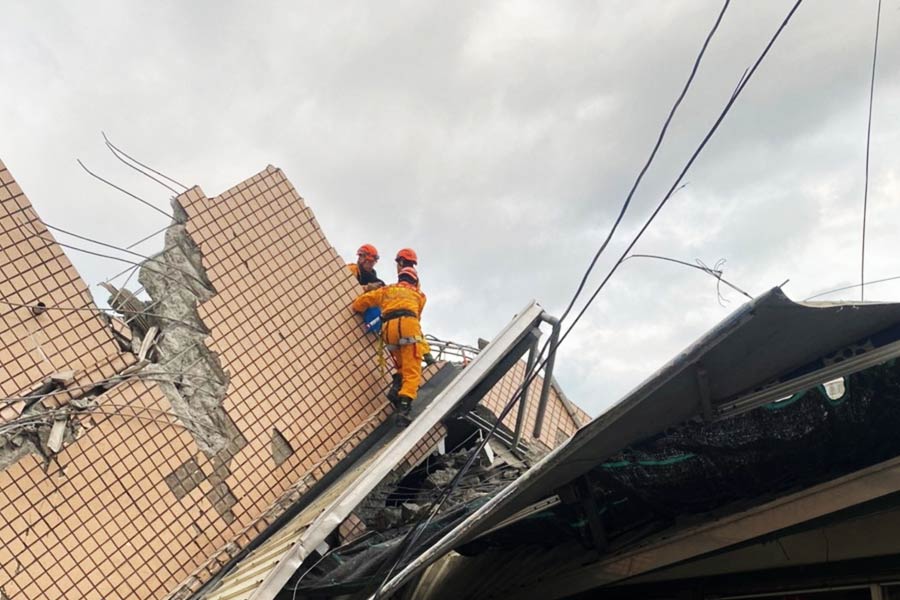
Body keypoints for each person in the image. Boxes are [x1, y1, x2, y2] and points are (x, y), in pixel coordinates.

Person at [352, 266, 426, 427]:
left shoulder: (388, 290)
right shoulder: (419, 295)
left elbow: (360, 303)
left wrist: (359, 308)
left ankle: (395, 389)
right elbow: (417, 316)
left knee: (400, 364)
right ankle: (403, 409)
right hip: (408, 325)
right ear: (414, 281)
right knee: (412, 370)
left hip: (389, 329)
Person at [394, 248, 436, 365]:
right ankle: (428, 356)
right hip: (412, 318)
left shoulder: (406, 277)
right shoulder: (413, 277)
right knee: (416, 334)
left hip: (403, 319)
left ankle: (427, 356)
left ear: (401, 261)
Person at [348, 244, 385, 334]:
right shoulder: (352, 269)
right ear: (361, 257)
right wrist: (367, 288)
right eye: (369, 261)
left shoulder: (374, 279)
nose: (371, 265)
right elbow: (345, 289)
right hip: (351, 309)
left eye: (372, 262)